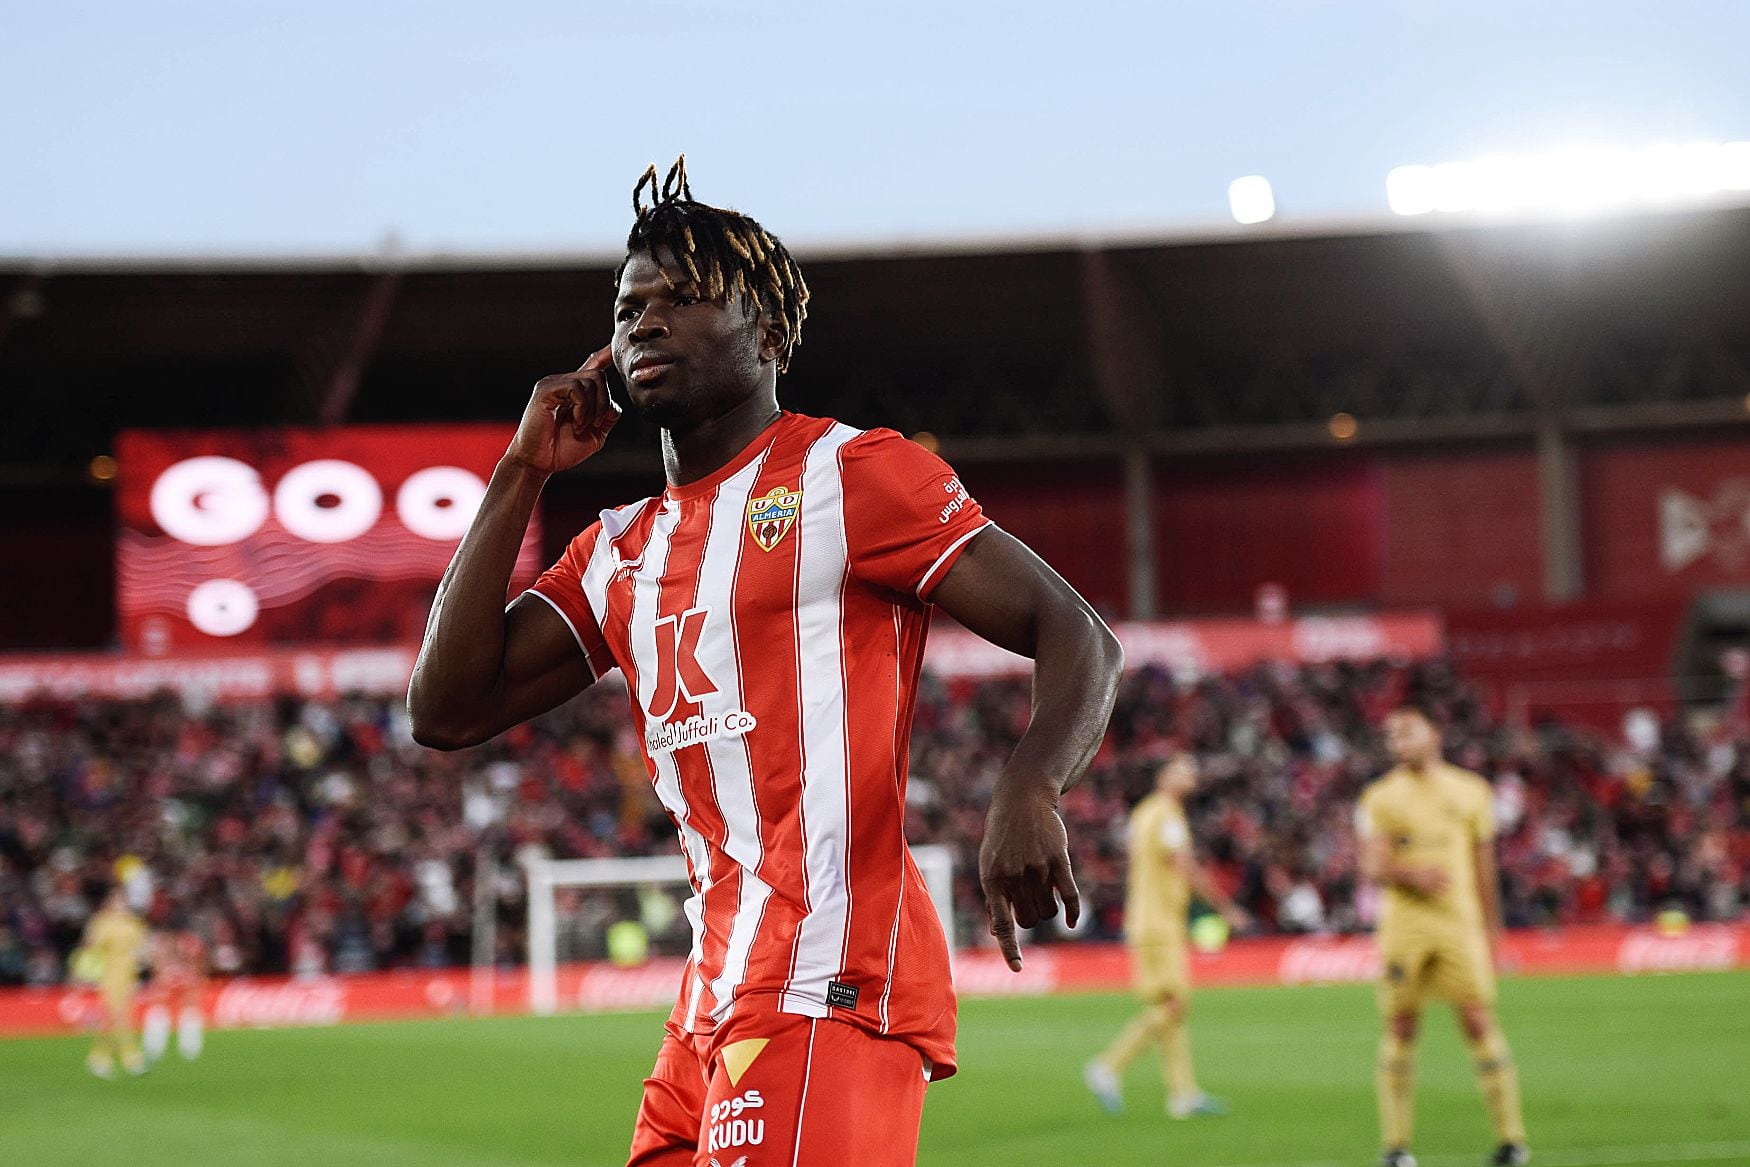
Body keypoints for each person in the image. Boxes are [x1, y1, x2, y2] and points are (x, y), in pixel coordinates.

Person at [408, 157, 1124, 1167]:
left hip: (827, 974)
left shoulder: (851, 474)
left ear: (772, 338)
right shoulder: (616, 550)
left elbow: (1079, 632)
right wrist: (521, 468)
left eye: (684, 298)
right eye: (629, 305)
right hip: (710, 1001)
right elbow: (444, 710)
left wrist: (1030, 785)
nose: (645, 320)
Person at [1357, 706, 1529, 1167]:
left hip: (1459, 924)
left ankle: (1511, 1140)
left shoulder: (1472, 791)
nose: (1398, 742)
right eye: (1391, 736)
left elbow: (1484, 866)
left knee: (1476, 1019)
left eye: (1407, 732)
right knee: (1401, 1024)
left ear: (1435, 733)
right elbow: (1371, 866)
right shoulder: (1381, 797)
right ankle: (1396, 1147)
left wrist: (1494, 930)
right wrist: (1411, 875)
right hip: (1405, 928)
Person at [1084, 751, 1250, 1118]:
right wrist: (1225, 907)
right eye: (1182, 768)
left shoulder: (1144, 814)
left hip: (1148, 920)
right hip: (1159, 924)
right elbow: (1185, 866)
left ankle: (1183, 1095)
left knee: (1168, 1007)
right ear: (1163, 776)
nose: (1191, 773)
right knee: (1175, 1006)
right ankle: (1109, 1066)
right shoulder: (1166, 816)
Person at [78, 887, 148, 1079]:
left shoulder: (133, 923)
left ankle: (99, 1058)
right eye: (118, 900)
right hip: (110, 973)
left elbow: (141, 947)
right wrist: (86, 971)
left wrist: (141, 958)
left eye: (124, 901)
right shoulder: (102, 922)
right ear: (110, 902)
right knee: (118, 1016)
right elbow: (92, 946)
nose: (122, 904)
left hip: (129, 974)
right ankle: (132, 1058)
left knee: (118, 1017)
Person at [143, 921, 207, 1063]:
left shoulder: (190, 943)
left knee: (189, 1011)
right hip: (168, 979)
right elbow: (156, 965)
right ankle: (155, 1048)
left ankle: (190, 1048)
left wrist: (192, 977)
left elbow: (198, 963)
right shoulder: (162, 944)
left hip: (184, 978)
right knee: (159, 1010)